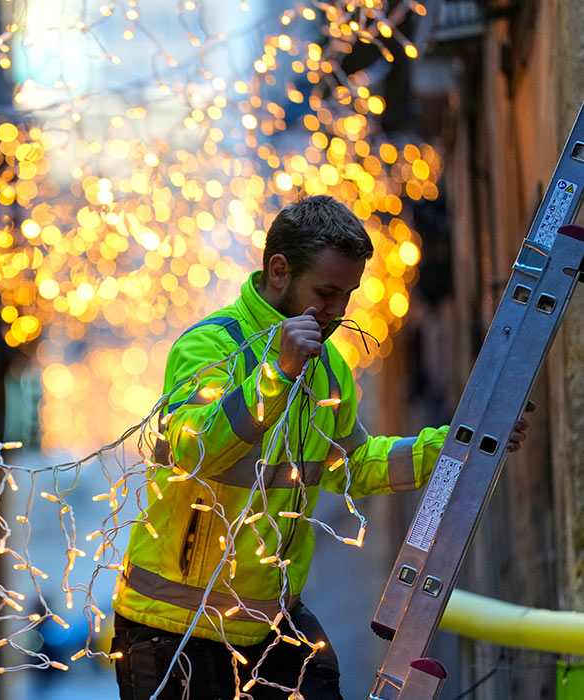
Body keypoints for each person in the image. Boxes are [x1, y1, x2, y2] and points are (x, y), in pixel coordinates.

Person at [111, 195, 531, 699]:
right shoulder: (208, 345)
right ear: (280, 271)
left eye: (347, 295)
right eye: (327, 293)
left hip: (268, 623)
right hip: (170, 629)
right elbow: (193, 451)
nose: (338, 312)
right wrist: (276, 376)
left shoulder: (330, 367)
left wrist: (460, 443)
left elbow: (356, 466)